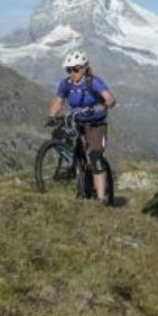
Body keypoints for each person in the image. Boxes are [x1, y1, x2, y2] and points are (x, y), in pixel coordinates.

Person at [46, 50, 116, 203]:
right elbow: (58, 101)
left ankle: (101, 198)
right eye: (69, 70)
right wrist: (52, 116)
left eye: (75, 69)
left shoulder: (93, 82)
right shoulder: (66, 84)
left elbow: (110, 98)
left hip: (95, 123)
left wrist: (104, 105)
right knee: (58, 135)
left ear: (84, 68)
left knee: (95, 157)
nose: (72, 73)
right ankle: (75, 166)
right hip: (77, 121)